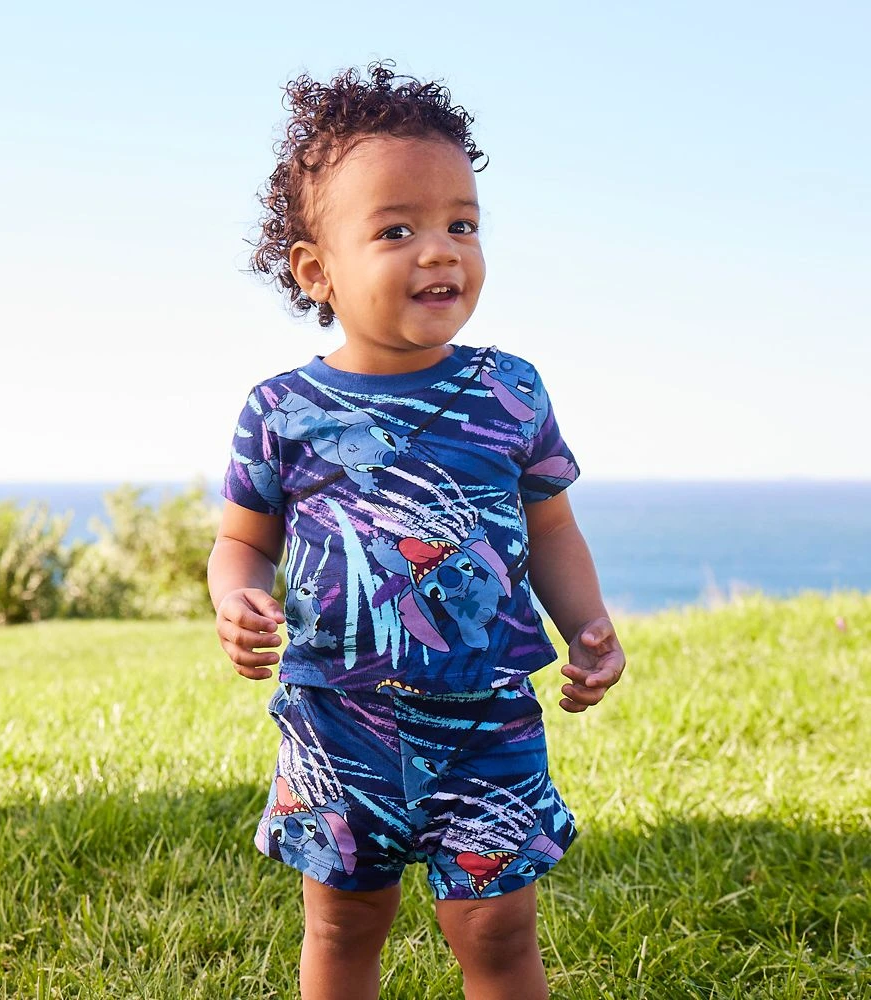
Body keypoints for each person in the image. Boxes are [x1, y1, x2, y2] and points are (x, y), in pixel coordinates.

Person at [207, 61, 626, 1000]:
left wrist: (587, 625)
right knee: (343, 922)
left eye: (461, 225)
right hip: (337, 719)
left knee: (498, 929)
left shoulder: (510, 390)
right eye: (396, 230)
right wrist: (237, 598)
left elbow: (552, 525)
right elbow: (243, 541)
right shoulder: (282, 410)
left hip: (486, 718)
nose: (440, 252)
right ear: (316, 271)